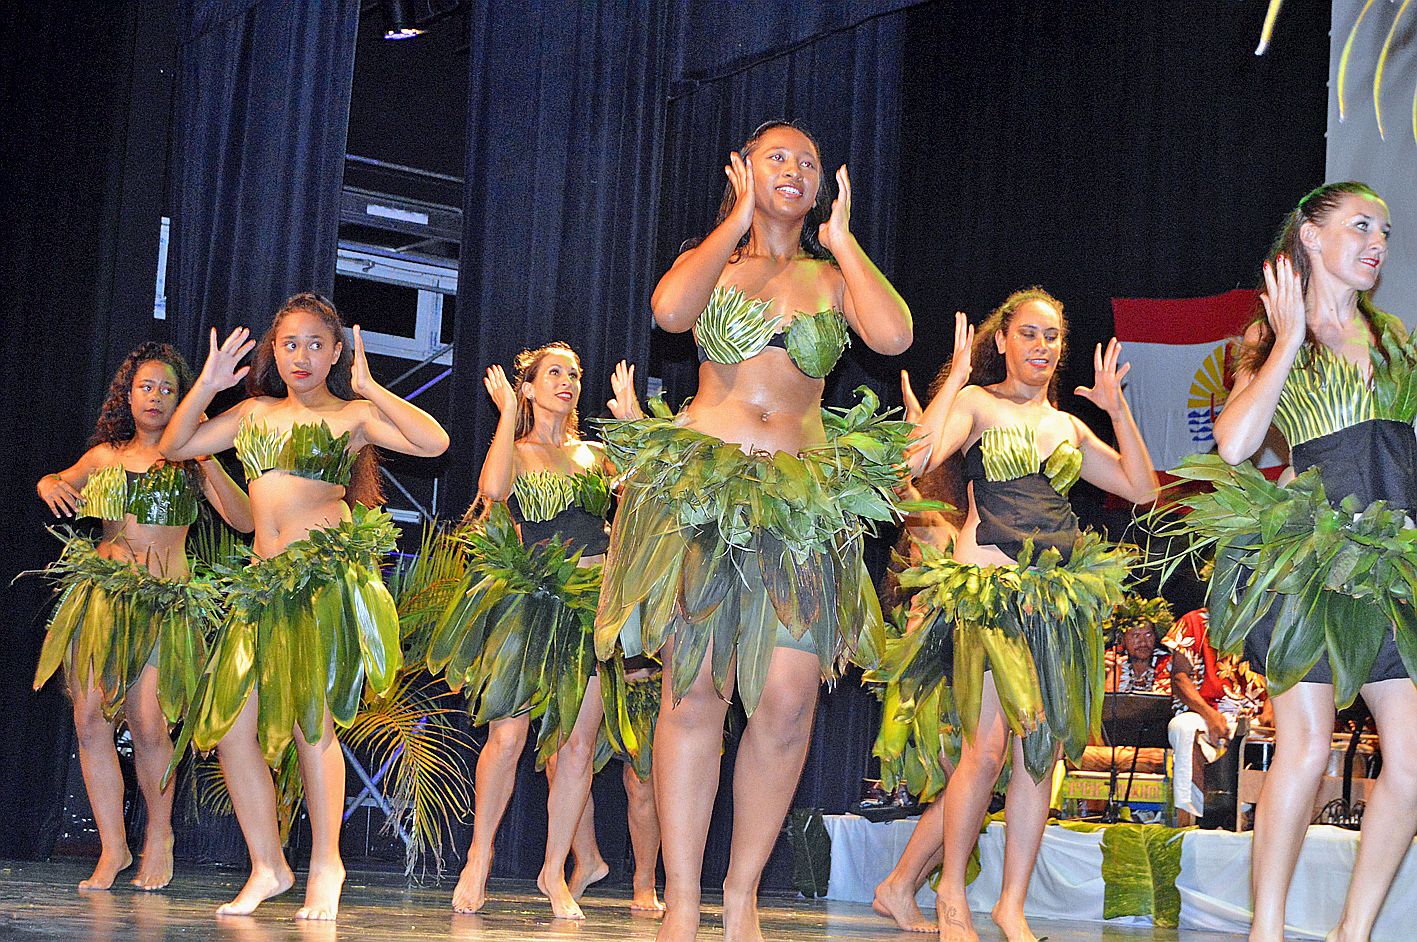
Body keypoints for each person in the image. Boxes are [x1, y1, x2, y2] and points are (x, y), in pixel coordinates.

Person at [593, 119, 913, 942]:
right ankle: (686, 898)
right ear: (744, 169)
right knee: (693, 693)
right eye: (779, 157)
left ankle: (741, 894)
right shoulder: (720, 265)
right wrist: (733, 220)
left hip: (800, 500)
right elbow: (669, 312)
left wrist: (843, 242)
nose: (796, 171)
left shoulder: (830, 276)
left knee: (785, 701)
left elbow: (894, 336)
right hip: (704, 494)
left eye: (808, 163)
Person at [1165, 182, 1415, 942]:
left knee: (1410, 761)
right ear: (1309, 235)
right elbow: (1236, 445)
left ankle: (1353, 930)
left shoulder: (1396, 338)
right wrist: (1285, 341)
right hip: (1315, 559)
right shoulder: (1277, 339)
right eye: (1359, 225)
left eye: (1384, 229)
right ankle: (1265, 930)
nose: (1376, 241)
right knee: (1302, 750)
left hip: (1393, 562)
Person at [159, 292, 449, 920]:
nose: (301, 355)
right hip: (263, 587)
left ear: (336, 352)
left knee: (310, 720)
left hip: (321, 581)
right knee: (231, 727)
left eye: (316, 343)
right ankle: (269, 863)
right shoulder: (254, 412)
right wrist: (206, 385)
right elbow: (178, 445)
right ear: (273, 351)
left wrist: (371, 388)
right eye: (289, 343)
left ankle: (327, 863)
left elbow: (434, 442)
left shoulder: (352, 417)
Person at [901, 291, 1157, 942]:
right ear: (1004, 342)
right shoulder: (977, 405)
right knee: (983, 753)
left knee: (1036, 757)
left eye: (1052, 337)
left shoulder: (1067, 427)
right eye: (1029, 334)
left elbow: (1142, 488)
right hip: (988, 589)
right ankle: (949, 893)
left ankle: (1010, 905)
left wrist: (1116, 408)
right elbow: (916, 462)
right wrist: (954, 379)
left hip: (1052, 599)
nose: (1042, 346)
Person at [426, 345, 659, 918]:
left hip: (592, 609)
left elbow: (655, 488)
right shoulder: (521, 450)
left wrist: (633, 422)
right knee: (507, 737)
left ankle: (555, 872)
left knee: (578, 745)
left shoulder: (596, 456)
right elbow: (496, 490)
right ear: (528, 386)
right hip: (531, 605)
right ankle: (479, 856)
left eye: (575, 374)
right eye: (554, 373)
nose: (568, 382)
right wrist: (506, 414)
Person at [33, 342, 252, 892]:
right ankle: (113, 848)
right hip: (103, 601)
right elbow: (53, 480)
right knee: (90, 721)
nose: (154, 398)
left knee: (151, 725)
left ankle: (159, 835)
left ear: (183, 400)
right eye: (145, 388)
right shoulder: (106, 457)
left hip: (164, 602)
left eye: (167, 389)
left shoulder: (191, 459)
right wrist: (51, 485)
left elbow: (245, 521)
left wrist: (202, 451)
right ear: (126, 397)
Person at [1162, 607, 1270, 824]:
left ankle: (1253, 819)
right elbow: (1180, 678)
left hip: (1254, 719)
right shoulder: (1194, 621)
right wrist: (1210, 715)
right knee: (1184, 727)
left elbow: (1282, 678)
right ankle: (1190, 817)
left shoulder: (1263, 621)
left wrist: (1271, 710)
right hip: (1203, 713)